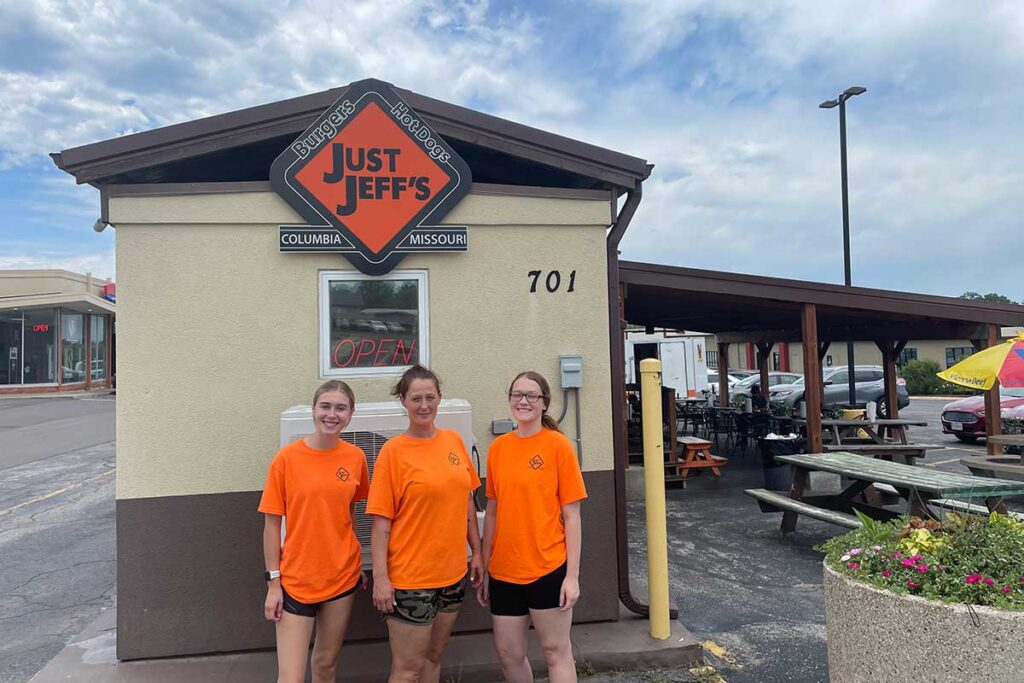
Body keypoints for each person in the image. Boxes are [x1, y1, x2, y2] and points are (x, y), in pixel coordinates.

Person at [367, 364, 484, 683]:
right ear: (403, 401)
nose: (423, 405)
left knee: (433, 658)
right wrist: (381, 578)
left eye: (430, 397)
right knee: (407, 670)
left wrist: (477, 552)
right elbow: (381, 524)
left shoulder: (453, 442)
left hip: (452, 575)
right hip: (409, 581)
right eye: (416, 398)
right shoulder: (392, 453)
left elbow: (467, 502)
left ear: (439, 398)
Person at [477, 371, 587, 683]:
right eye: (517, 395)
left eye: (531, 396)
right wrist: (485, 565)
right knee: (509, 655)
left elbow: (573, 516)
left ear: (544, 403)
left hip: (548, 568)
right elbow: (494, 513)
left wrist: (573, 577)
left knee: (556, 651)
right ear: (509, 399)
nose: (523, 401)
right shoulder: (498, 449)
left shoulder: (558, 446)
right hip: (504, 571)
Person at [258, 380, 370, 683]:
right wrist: (273, 583)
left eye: (340, 408)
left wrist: (356, 555)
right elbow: (271, 525)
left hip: (342, 576)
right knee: (291, 677)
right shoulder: (286, 459)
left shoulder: (356, 458)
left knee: (325, 665)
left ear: (350, 414)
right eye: (325, 406)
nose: (331, 414)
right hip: (296, 580)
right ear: (314, 409)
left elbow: (348, 512)